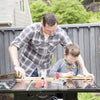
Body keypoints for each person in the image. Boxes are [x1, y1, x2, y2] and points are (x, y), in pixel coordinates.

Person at [9, 12, 90, 78]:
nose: (51, 33)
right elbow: (13, 46)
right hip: (27, 68)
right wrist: (17, 66)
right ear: (42, 24)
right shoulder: (32, 30)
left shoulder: (60, 33)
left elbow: (73, 50)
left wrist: (84, 70)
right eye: (48, 30)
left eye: (53, 30)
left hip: (44, 71)